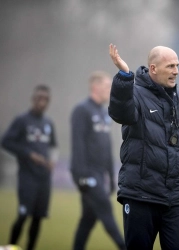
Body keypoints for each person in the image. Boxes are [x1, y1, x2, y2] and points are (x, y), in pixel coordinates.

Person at [108, 44, 179, 250]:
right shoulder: (135, 94)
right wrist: (124, 77)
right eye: (170, 66)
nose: (176, 71)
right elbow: (120, 113)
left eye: (177, 65)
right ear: (153, 69)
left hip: (177, 200)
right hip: (141, 196)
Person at [70, 71, 126, 250]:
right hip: (87, 174)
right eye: (107, 86)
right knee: (106, 213)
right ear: (95, 87)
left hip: (99, 175)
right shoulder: (82, 110)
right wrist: (81, 176)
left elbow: (107, 147)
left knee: (88, 219)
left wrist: (110, 175)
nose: (110, 90)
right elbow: (77, 144)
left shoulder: (104, 112)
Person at [1, 85, 58, 250]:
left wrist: (53, 159)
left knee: (38, 217)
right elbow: (6, 141)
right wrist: (28, 154)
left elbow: (54, 145)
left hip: (44, 178)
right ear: (33, 99)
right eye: (39, 98)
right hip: (27, 176)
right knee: (23, 215)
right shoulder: (22, 120)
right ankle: (10, 247)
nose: (42, 102)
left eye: (46, 99)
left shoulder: (48, 122)